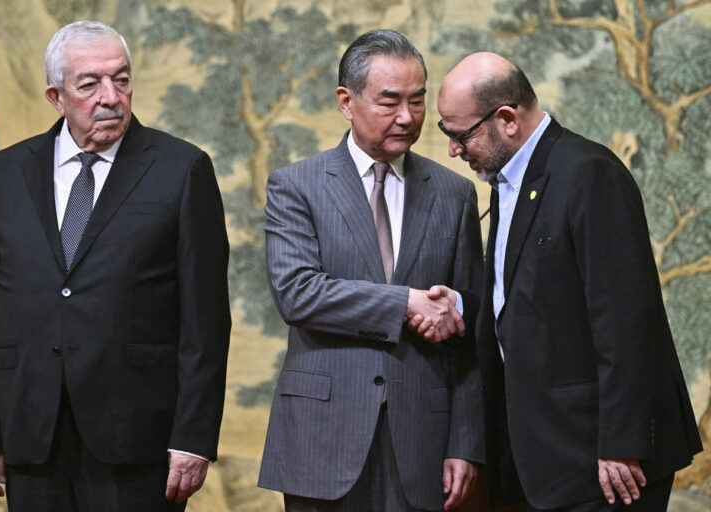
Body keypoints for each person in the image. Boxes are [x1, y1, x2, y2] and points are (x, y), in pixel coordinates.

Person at [0, 21, 231, 511]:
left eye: (121, 79)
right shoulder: (6, 172)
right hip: (31, 436)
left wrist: (193, 439)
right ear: (56, 96)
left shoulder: (182, 169)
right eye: (90, 84)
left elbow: (206, 323)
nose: (111, 97)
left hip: (137, 440)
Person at [426, 52, 702, 511]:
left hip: (604, 460)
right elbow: (533, 302)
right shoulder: (508, 180)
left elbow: (627, 317)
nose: (454, 149)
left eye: (460, 134)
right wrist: (462, 305)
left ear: (507, 119)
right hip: (541, 456)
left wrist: (621, 442)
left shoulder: (589, 173)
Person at [257, 30, 485, 511]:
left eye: (418, 101)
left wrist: (466, 443)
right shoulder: (296, 186)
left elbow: (467, 328)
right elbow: (297, 293)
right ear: (346, 100)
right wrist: (405, 302)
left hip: (424, 440)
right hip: (322, 441)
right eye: (390, 101)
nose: (407, 117)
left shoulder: (454, 194)